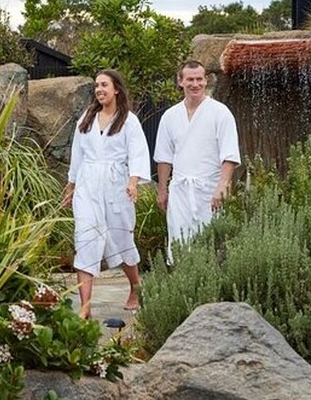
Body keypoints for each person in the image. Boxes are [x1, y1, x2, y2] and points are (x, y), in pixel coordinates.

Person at [61, 69, 151, 319]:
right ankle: (85, 307)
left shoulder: (128, 120)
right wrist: (71, 186)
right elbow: (77, 156)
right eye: (97, 86)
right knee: (85, 240)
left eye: (104, 85)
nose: (99, 89)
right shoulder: (86, 119)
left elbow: (138, 154)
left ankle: (135, 287)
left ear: (116, 89)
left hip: (116, 187)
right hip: (88, 186)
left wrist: (133, 182)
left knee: (121, 241)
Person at [153, 60, 240, 265]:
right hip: (181, 191)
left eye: (199, 79)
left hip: (210, 190)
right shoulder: (170, 116)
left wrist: (222, 186)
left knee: (212, 244)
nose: (195, 84)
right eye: (190, 79)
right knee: (179, 242)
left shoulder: (220, 112)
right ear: (180, 81)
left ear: (205, 81)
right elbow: (164, 157)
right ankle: (184, 290)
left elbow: (229, 154)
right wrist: (162, 190)